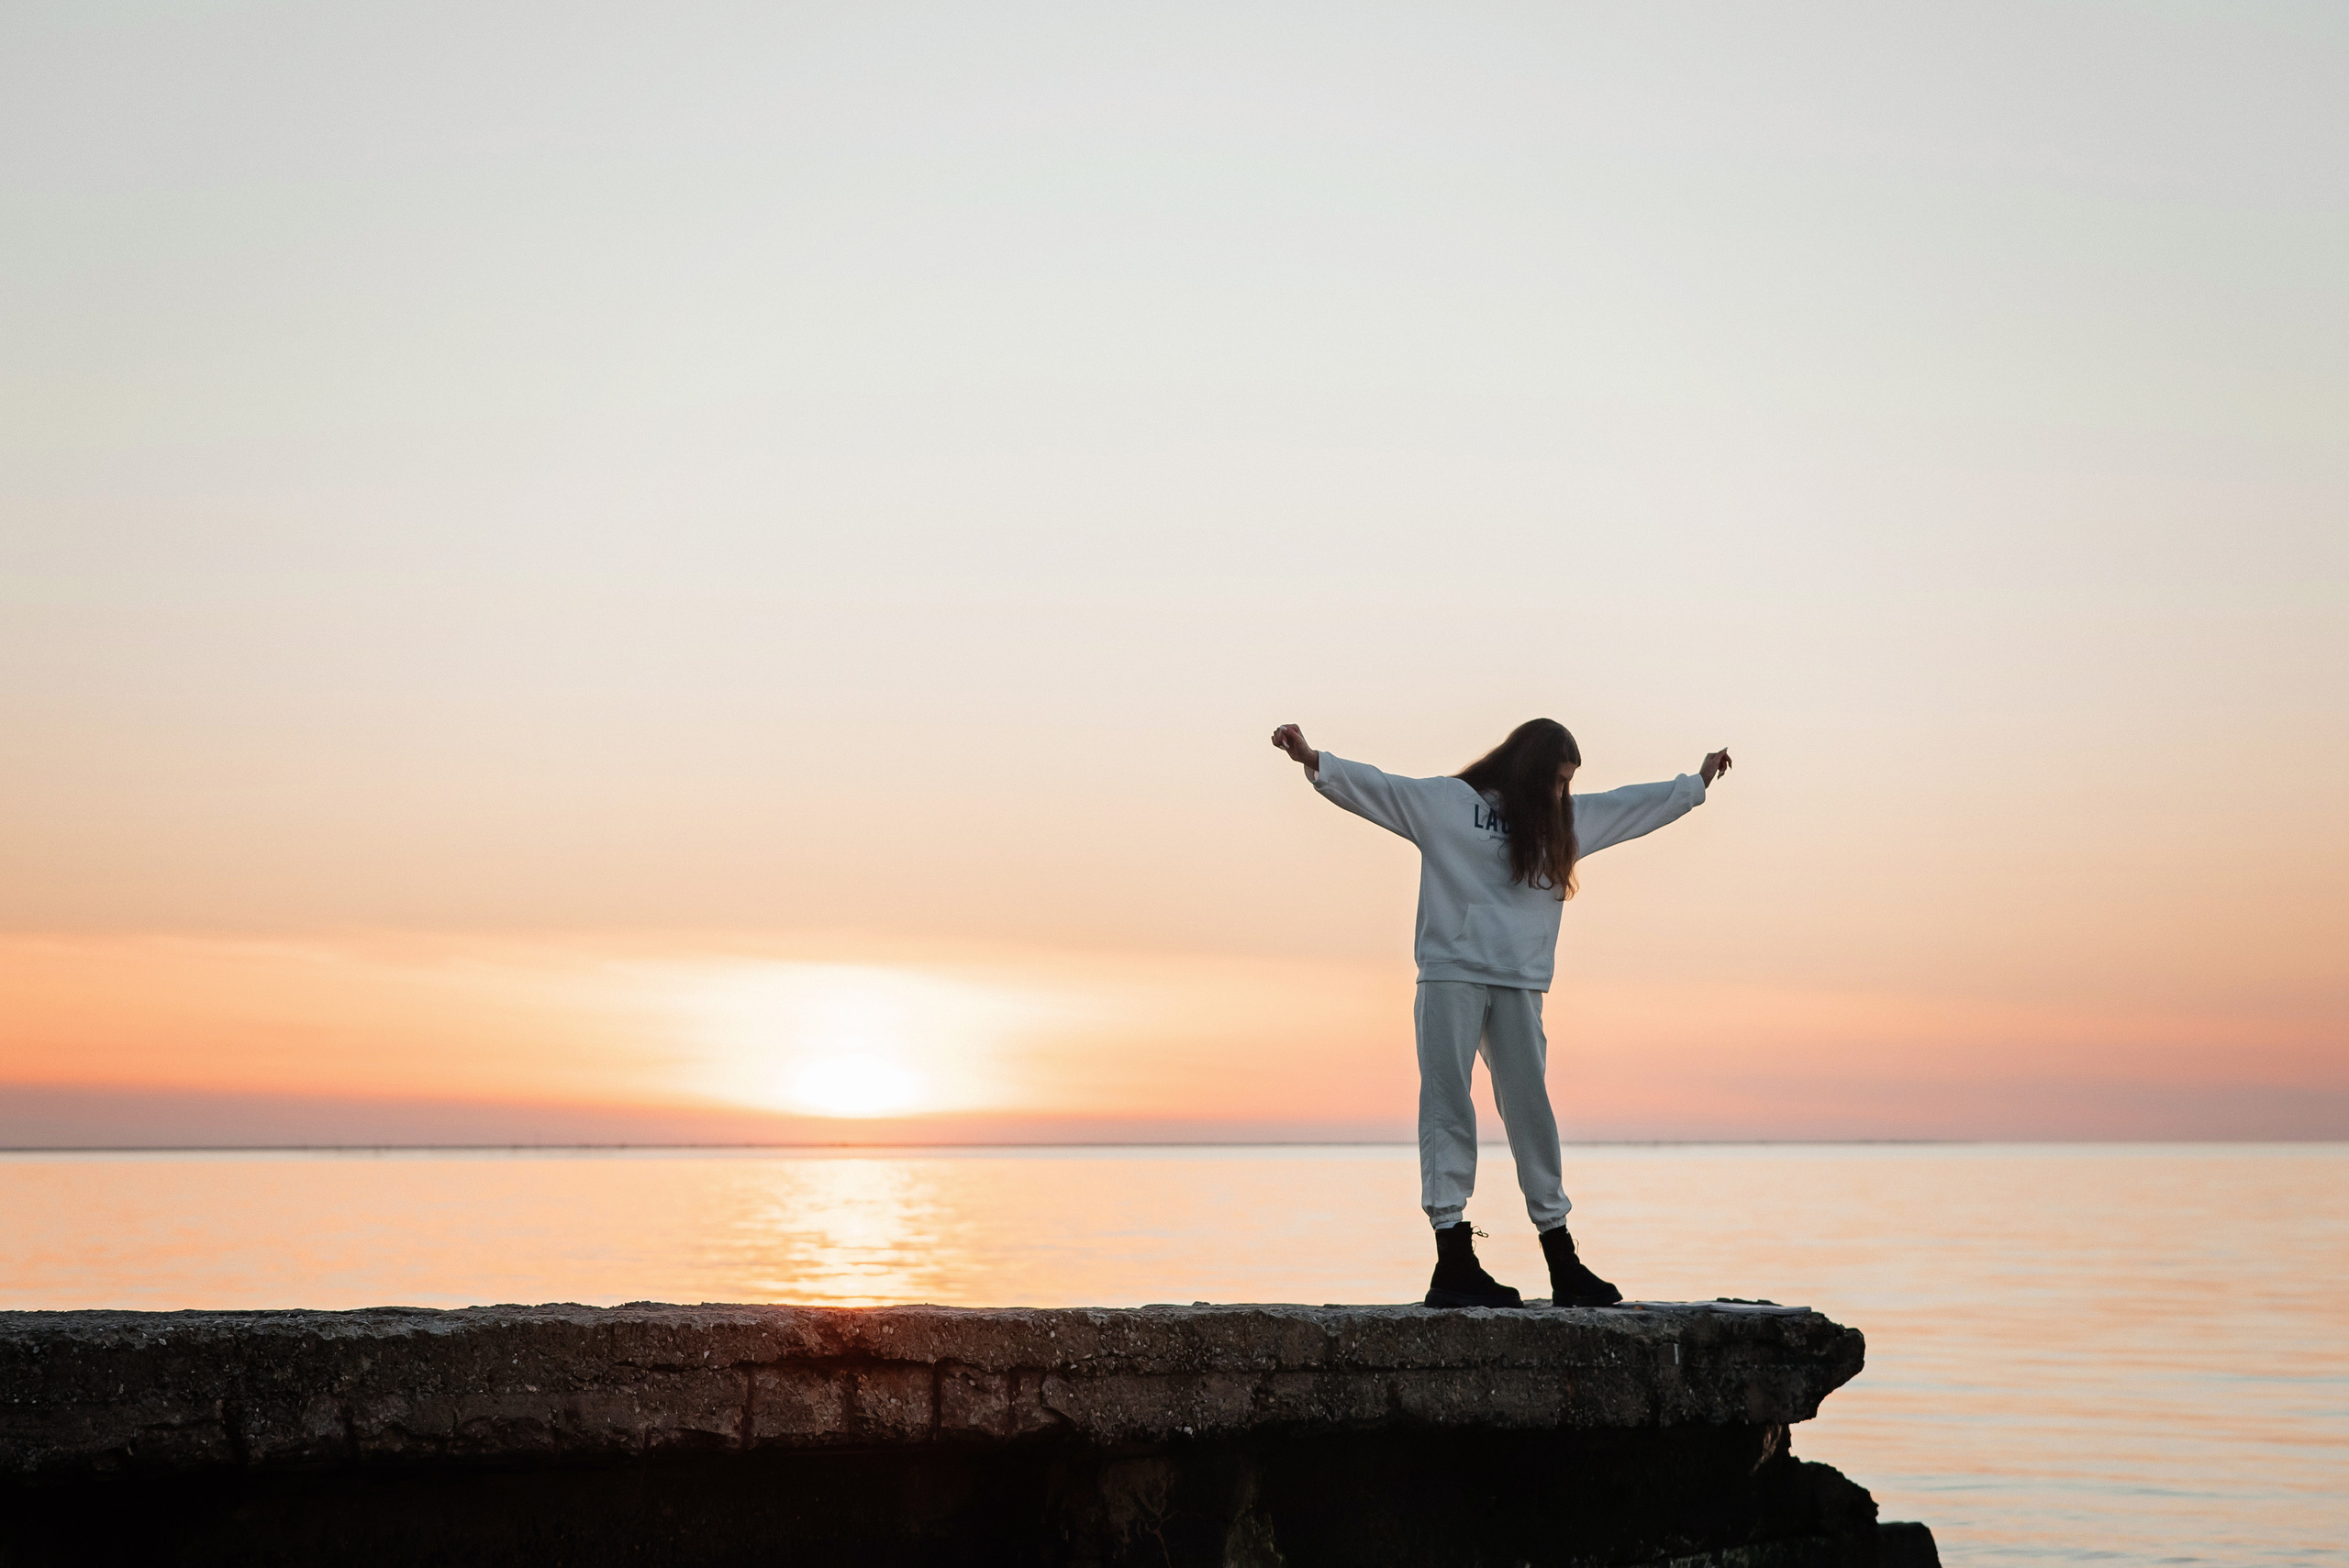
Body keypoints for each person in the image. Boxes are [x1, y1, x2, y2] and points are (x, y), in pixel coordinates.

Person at [1269, 718, 1731, 1309]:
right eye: (1556, 780)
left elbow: (1627, 807)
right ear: (1529, 770)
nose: (1562, 794)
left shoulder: (1561, 824)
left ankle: (1562, 1260)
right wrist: (1315, 760)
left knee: (1531, 1112)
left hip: (1520, 982)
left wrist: (1694, 784)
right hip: (1450, 974)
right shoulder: (1447, 806)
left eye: (1569, 784)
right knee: (1447, 1105)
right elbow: (1382, 787)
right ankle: (1453, 1260)